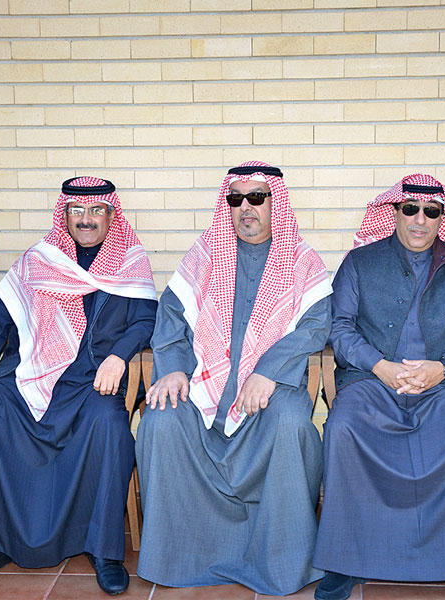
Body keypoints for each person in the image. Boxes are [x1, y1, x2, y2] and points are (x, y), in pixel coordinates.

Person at [0, 177, 157, 595]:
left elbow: (146, 319)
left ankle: (104, 550)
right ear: (65, 215)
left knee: (109, 427)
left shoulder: (130, 262)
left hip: (92, 380)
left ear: (111, 215)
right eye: (77, 210)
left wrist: (119, 355)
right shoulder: (37, 261)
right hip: (28, 372)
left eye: (96, 210)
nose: (86, 219)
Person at [136, 161, 332, 596]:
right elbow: (171, 318)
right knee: (161, 421)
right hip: (204, 387)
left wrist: (267, 371)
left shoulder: (301, 260)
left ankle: (280, 564)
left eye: (257, 197)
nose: (246, 207)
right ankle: (180, 559)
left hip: (272, 389)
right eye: (236, 198)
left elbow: (316, 325)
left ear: (275, 203)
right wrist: (172, 369)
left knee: (291, 424)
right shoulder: (205, 255)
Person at [313, 173, 445, 600]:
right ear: (395, 212)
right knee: (343, 426)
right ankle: (344, 562)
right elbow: (340, 328)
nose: (420, 220)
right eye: (411, 209)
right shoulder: (360, 262)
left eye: (431, 212)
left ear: (442, 217)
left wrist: (444, 367)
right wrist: (379, 366)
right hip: (373, 381)